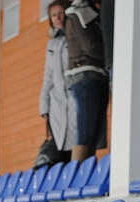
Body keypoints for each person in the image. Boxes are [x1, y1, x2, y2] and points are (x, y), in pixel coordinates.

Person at [64, 0, 109, 162]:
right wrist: (112, 54)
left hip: (98, 75)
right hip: (85, 75)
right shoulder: (77, 12)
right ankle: (78, 173)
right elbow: (90, 47)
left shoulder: (92, 11)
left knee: (94, 132)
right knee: (86, 130)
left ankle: (85, 171)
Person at [40, 0, 75, 164]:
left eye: (60, 13)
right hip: (56, 103)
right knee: (59, 146)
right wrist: (43, 105)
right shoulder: (52, 44)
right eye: (53, 15)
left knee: (74, 142)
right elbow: (48, 76)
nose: (57, 18)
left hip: (73, 97)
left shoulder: (74, 36)